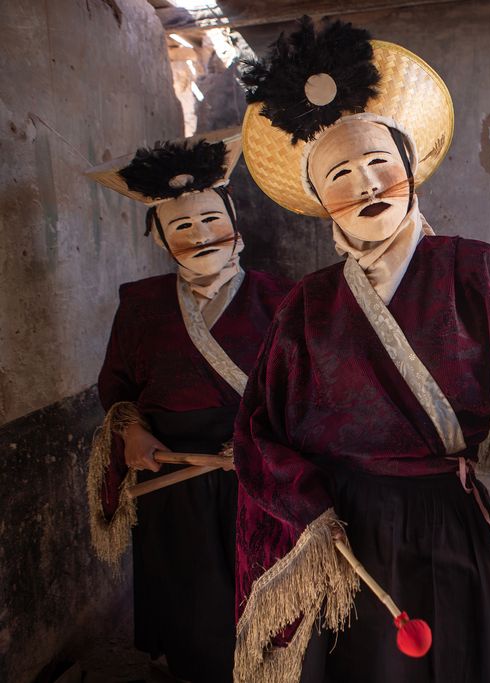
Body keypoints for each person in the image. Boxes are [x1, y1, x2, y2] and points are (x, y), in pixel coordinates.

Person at [231, 18, 490, 682]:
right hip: (345, 528)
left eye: (378, 166)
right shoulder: (306, 304)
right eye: (341, 174)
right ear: (320, 199)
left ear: (411, 172)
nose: (364, 186)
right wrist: (309, 511)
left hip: (450, 520)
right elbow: (257, 429)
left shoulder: (475, 270)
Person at [85, 129, 293, 682]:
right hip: (172, 488)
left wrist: (258, 448)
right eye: (182, 226)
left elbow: (309, 398)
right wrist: (131, 435)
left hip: (259, 485)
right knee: (194, 622)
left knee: (271, 616)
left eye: (210, 220)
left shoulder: (283, 300)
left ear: (234, 223)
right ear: (160, 238)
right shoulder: (140, 305)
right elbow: (119, 389)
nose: (200, 236)